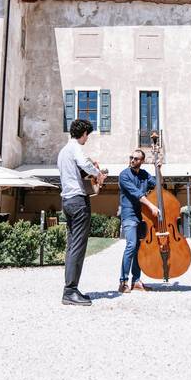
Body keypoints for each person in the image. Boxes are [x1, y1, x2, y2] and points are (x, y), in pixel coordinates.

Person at [58, 118, 107, 306]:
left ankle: (70, 289)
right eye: (88, 135)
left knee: (72, 245)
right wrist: (97, 173)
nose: (87, 139)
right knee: (78, 246)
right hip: (78, 202)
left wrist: (88, 170)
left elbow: (73, 172)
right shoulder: (76, 148)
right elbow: (84, 164)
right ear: (84, 133)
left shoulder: (63, 151)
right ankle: (70, 291)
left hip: (67, 201)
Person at [117, 149, 160, 293]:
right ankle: (123, 281)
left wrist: (159, 169)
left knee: (140, 249)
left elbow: (158, 185)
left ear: (142, 161)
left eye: (136, 158)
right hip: (129, 215)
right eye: (131, 157)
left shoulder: (144, 174)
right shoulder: (124, 175)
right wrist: (151, 205)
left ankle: (136, 280)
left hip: (142, 216)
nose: (132, 160)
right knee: (131, 245)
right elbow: (137, 194)